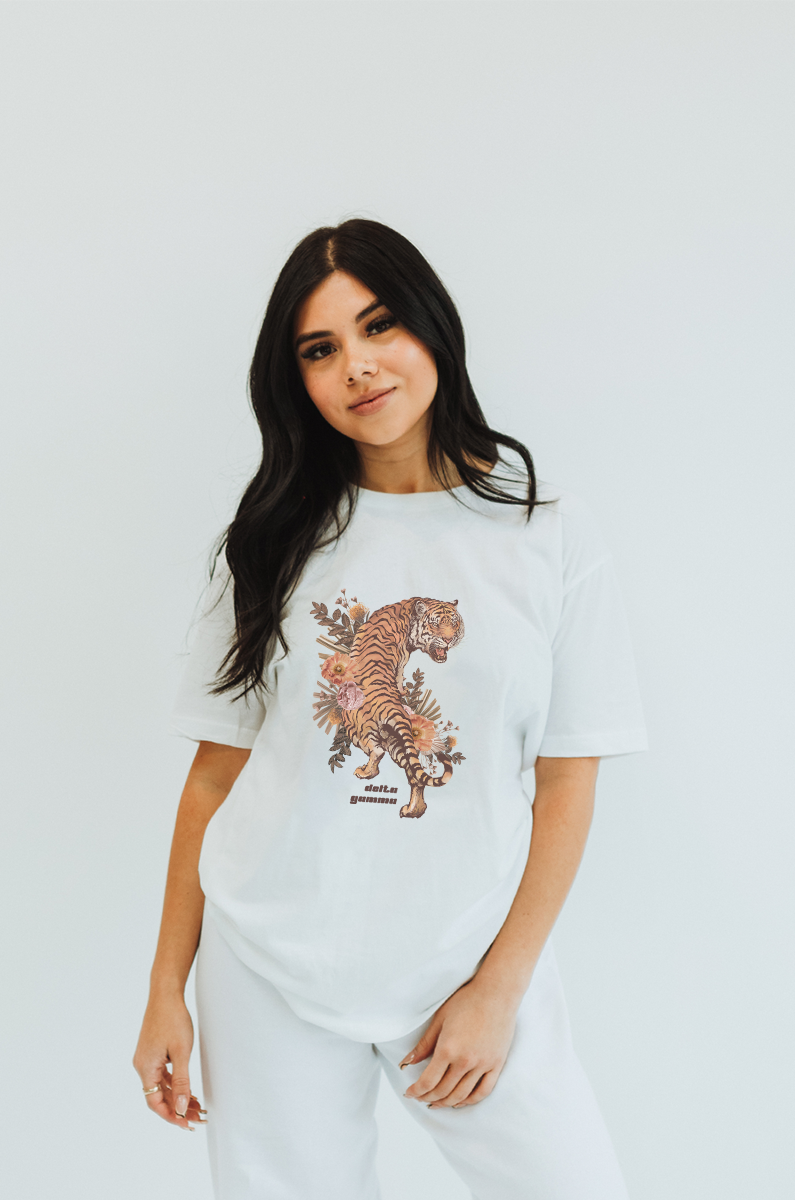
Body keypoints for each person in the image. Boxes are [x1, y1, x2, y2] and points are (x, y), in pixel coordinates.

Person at [133, 218, 647, 1200]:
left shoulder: (547, 534)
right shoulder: (270, 542)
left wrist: (500, 989)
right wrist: (166, 990)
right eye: (318, 350)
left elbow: (567, 780)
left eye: (378, 327)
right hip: (268, 960)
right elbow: (214, 776)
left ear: (431, 326)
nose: (357, 367)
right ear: (296, 379)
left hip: (462, 958)